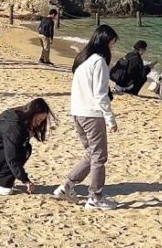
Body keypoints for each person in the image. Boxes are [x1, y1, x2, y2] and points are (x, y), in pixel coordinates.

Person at [54, 24, 120, 211]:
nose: (112, 49)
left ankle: (67, 185)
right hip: (91, 114)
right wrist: (110, 119)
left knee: (91, 154)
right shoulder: (98, 61)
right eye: (112, 44)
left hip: (78, 112)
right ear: (105, 42)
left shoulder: (83, 59)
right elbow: (100, 94)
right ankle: (95, 197)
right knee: (99, 157)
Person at [0, 97, 54, 195]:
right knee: (19, 151)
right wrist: (25, 180)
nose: (39, 123)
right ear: (32, 114)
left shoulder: (19, 121)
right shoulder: (13, 125)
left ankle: (3, 181)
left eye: (41, 121)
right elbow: (12, 156)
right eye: (38, 120)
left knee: (25, 148)